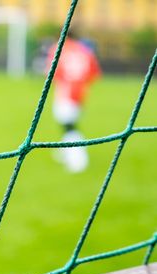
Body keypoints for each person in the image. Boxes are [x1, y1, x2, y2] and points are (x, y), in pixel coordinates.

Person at [48, 31, 101, 173]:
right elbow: (94, 73)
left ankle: (78, 160)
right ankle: (66, 151)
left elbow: (53, 73)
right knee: (68, 123)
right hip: (80, 93)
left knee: (69, 126)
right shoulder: (85, 50)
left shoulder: (59, 49)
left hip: (65, 92)